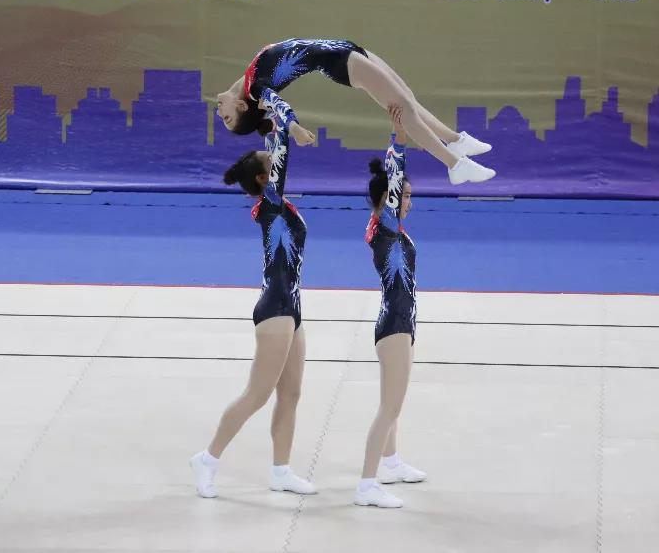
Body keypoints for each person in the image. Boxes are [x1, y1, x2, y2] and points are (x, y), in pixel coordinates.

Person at [189, 112, 316, 498]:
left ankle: (281, 471)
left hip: (291, 306)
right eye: (269, 161)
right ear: (264, 179)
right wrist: (285, 125)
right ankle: (207, 459)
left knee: (291, 394)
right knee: (257, 394)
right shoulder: (271, 204)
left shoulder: (278, 203)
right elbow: (281, 152)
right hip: (275, 307)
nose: (273, 158)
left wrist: (273, 122)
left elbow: (275, 150)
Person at [216, 38, 494, 185]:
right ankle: (455, 165)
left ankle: (456, 141)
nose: (219, 113)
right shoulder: (257, 89)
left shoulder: (248, 82)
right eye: (226, 118)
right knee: (404, 110)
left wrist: (255, 116)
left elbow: (253, 106)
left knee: (408, 98)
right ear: (241, 106)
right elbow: (280, 106)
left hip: (344, 48)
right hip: (340, 63)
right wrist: (295, 129)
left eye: (224, 117)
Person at [355, 106, 425, 509]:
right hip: (394, 326)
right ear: (387, 199)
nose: (410, 202)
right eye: (405, 195)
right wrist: (398, 138)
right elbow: (394, 176)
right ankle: (366, 485)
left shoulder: (391, 229)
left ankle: (391, 462)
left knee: (394, 403)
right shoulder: (384, 227)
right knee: (389, 407)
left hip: (401, 322)